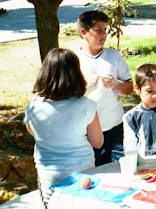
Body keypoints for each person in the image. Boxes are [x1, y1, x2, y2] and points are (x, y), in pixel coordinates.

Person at [23, 48, 104, 206]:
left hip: (48, 177)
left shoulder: (33, 106)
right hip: (83, 176)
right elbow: (98, 142)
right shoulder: (87, 106)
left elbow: (33, 132)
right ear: (76, 74)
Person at [77, 10, 133, 166]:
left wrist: (116, 85)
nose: (103, 35)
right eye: (98, 31)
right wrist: (85, 87)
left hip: (114, 126)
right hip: (86, 130)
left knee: (120, 169)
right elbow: (67, 97)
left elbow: (130, 87)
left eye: (105, 31)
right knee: (94, 173)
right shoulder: (74, 60)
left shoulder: (113, 56)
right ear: (84, 32)